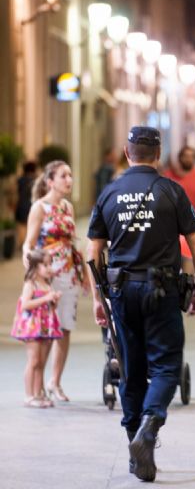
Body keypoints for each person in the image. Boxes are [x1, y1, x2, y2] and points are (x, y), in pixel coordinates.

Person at [87, 126, 195, 483]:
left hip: (122, 292)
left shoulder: (109, 193)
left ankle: (134, 447)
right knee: (167, 366)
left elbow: (93, 251)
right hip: (163, 290)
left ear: (127, 153)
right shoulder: (171, 190)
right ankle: (150, 426)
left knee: (130, 369)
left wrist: (97, 298)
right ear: (158, 154)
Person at [23, 160, 89, 402]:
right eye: (63, 176)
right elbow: (29, 243)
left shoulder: (68, 208)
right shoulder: (39, 208)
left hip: (69, 273)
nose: (69, 180)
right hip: (48, 276)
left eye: (70, 175)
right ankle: (37, 388)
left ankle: (55, 382)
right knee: (48, 330)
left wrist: (82, 275)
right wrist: (32, 269)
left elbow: (73, 243)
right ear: (50, 181)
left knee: (64, 329)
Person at [11, 248, 63, 408]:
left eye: (50, 264)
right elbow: (25, 304)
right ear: (35, 266)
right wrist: (46, 298)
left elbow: (50, 307)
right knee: (33, 361)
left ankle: (38, 394)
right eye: (45, 265)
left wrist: (54, 301)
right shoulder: (31, 284)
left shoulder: (47, 284)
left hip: (45, 326)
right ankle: (29, 395)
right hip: (32, 326)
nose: (49, 268)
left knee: (41, 362)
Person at [15, 161, 38, 249]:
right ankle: (30, 244)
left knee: (22, 226)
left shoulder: (20, 180)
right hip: (32, 206)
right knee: (31, 226)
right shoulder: (36, 180)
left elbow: (15, 193)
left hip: (21, 206)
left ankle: (23, 244)